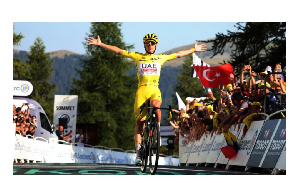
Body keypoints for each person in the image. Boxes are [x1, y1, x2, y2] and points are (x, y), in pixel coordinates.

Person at [87, 33, 207, 165]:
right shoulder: (138, 56)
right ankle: (138, 153)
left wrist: (193, 50)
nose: (150, 45)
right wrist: (101, 44)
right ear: (145, 45)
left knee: (156, 106)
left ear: (156, 45)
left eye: (152, 43)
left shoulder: (160, 57)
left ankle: (157, 131)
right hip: (141, 91)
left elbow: (178, 54)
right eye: (148, 43)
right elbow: (119, 51)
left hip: (154, 89)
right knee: (139, 124)